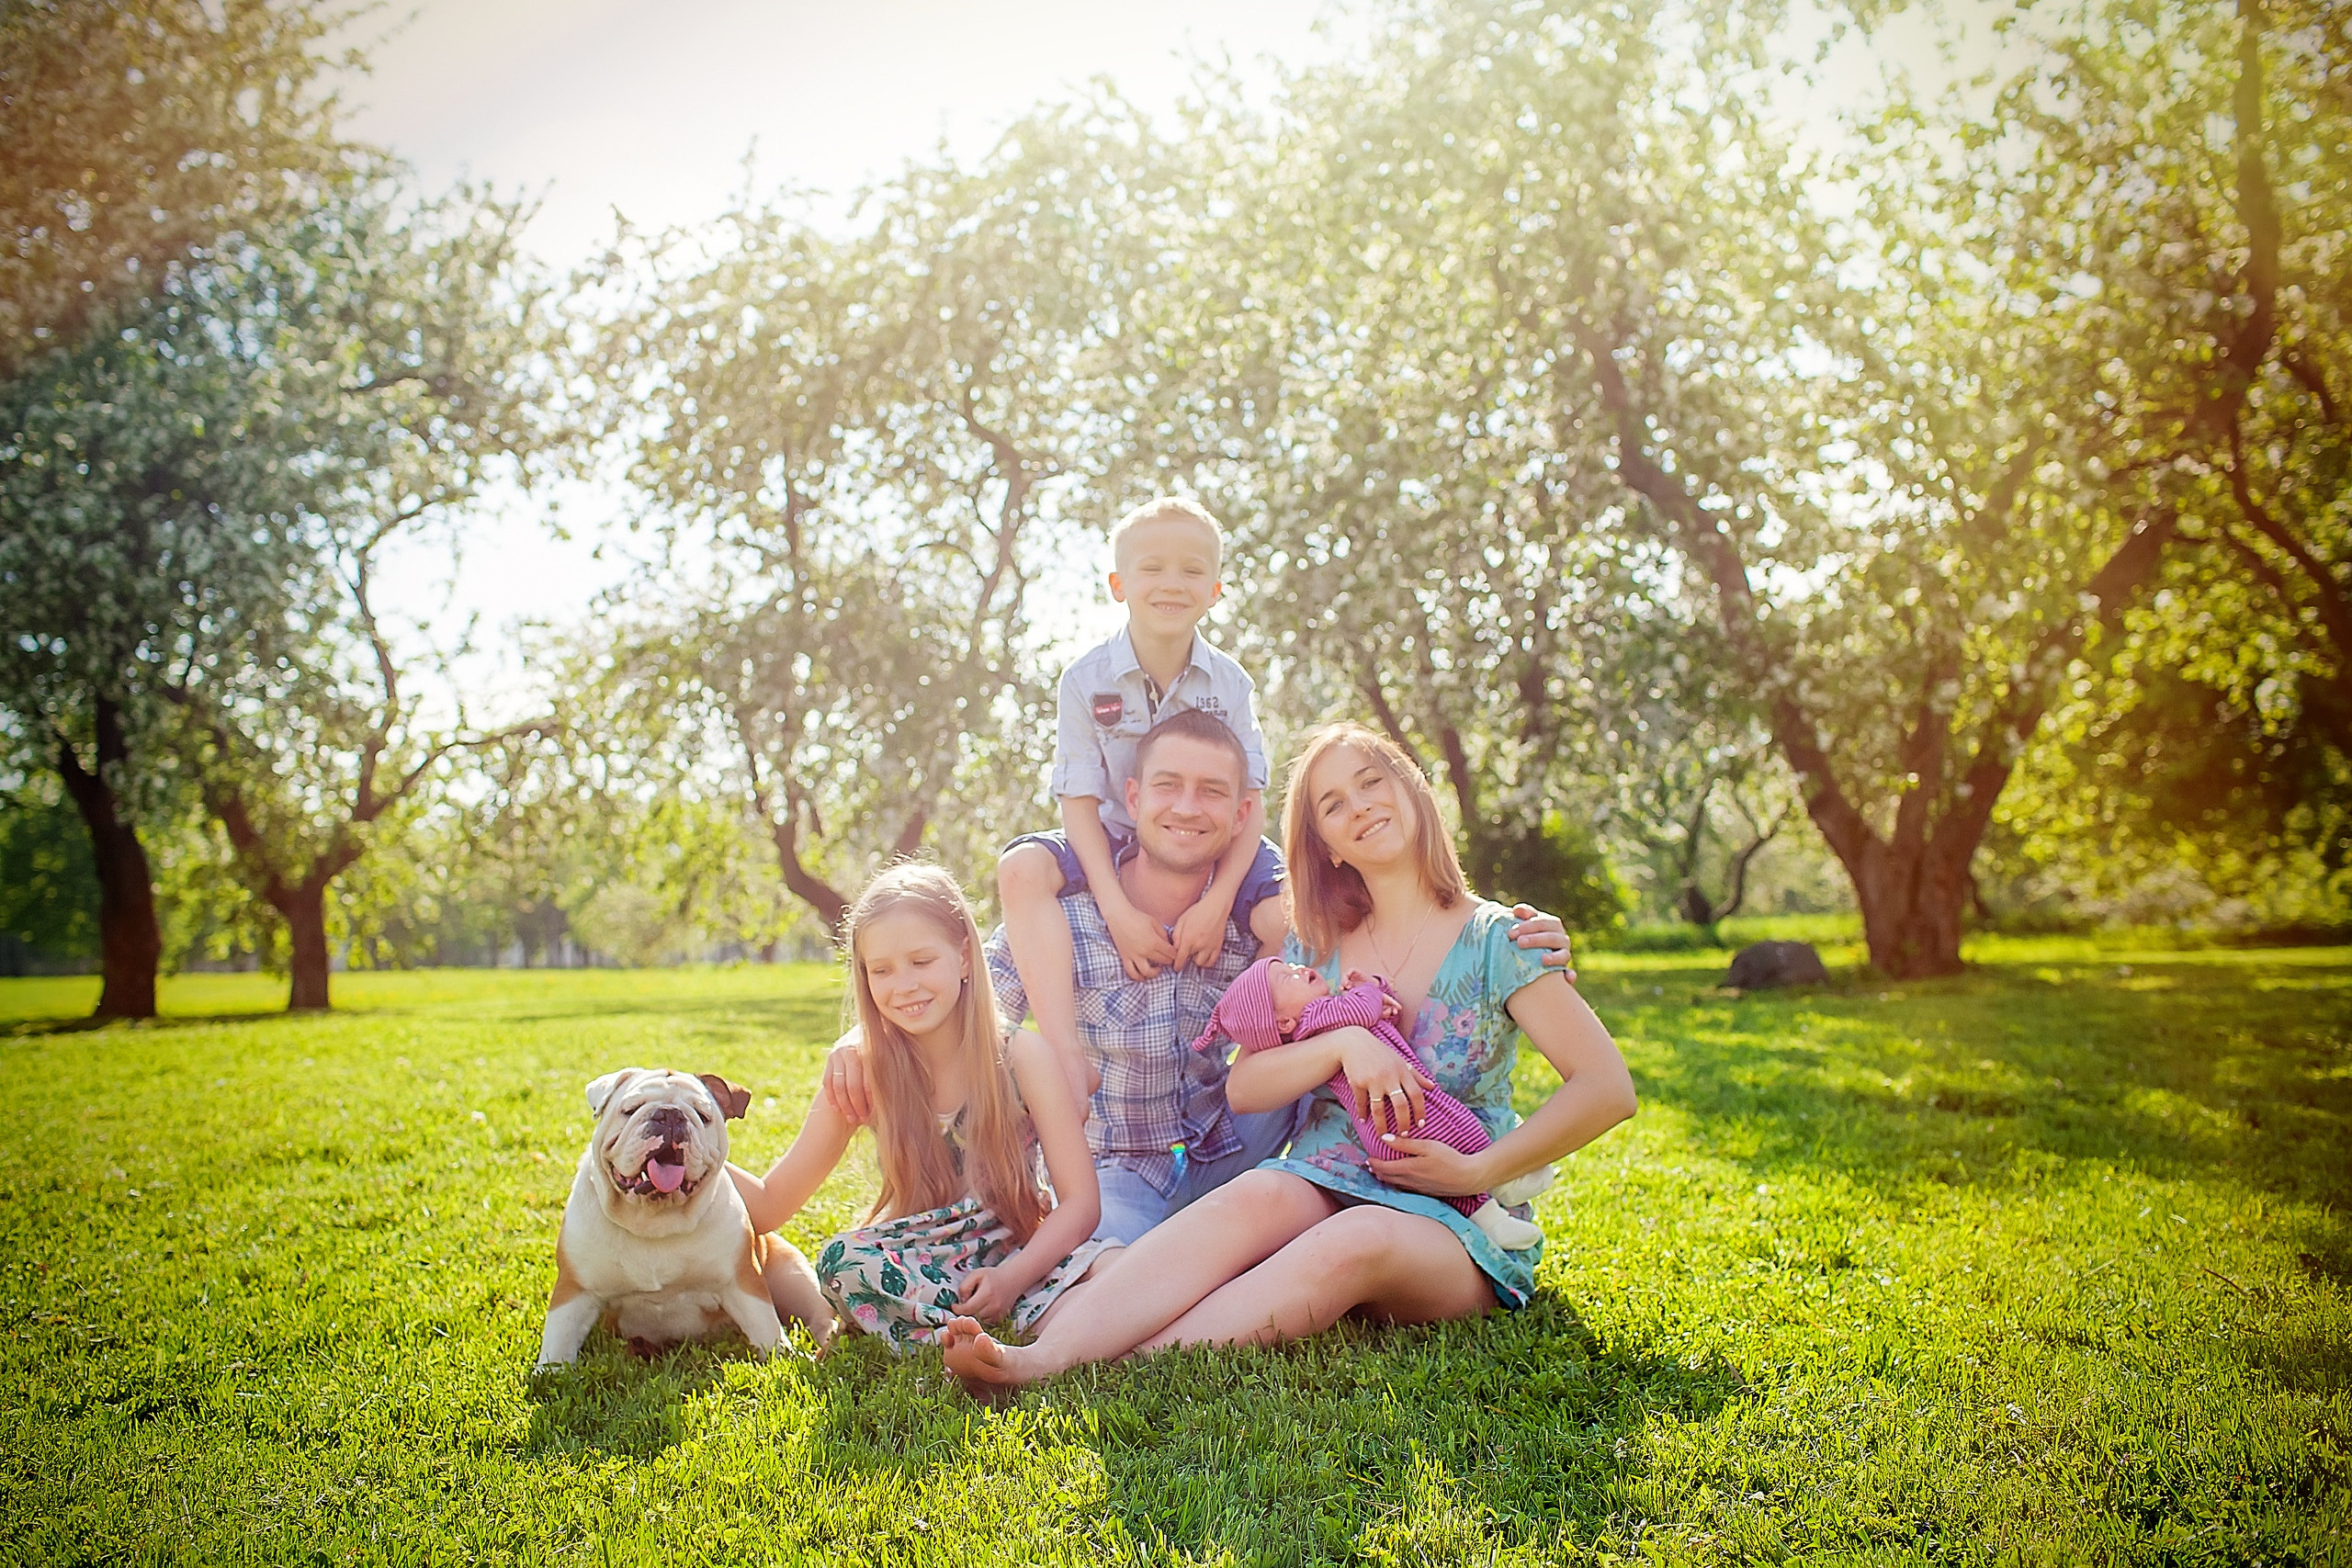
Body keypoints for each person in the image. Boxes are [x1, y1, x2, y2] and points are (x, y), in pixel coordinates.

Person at [936, 721, 1637, 1392]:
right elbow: (1246, 1086)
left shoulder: (1501, 939)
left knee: (1357, 1237)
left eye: (1373, 782)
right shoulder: (1313, 945)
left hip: (1453, 1217)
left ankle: (1097, 1365)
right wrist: (1342, 1042)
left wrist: (1479, 1168)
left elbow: (1607, 1087)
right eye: (1334, 803)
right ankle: (1042, 1356)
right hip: (1326, 1178)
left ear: (1414, 788)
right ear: (1324, 842)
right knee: (1261, 1192)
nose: (1360, 807)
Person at [820, 709, 1578, 1247]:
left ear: (1243, 812)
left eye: (1213, 791)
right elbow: (968, 996)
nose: (1188, 807)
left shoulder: (1264, 921)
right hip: (1118, 1168)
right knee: (1107, 1270)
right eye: (1169, 786)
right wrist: (861, 1035)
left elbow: (1395, 912)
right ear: (1133, 799)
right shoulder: (1065, 920)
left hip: (1236, 1151)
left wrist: (1527, 937)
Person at [728, 863, 1114, 1353]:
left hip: (1018, 1250)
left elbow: (1081, 1204)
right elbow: (769, 1204)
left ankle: (1006, 1308)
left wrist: (1012, 1278)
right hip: (921, 1257)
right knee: (844, 1260)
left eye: (921, 961)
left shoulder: (1021, 1057)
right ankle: (965, 1333)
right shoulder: (864, 1072)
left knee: (1118, 1273)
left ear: (965, 958)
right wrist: (686, 1146)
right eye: (882, 970)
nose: (904, 985)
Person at [996, 497, 1284, 1099]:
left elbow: (1250, 801)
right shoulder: (1085, 680)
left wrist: (1218, 902)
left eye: (1191, 570)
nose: (1172, 583)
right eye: (1152, 567)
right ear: (1118, 584)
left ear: (1215, 590)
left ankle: (1251, 1067)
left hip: (1211, 836)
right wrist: (1117, 912)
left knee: (1287, 916)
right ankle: (1066, 1058)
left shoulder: (1230, 683)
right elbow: (1078, 799)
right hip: (1109, 835)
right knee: (1021, 868)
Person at [1192, 956, 1543, 1251]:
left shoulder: (1325, 1018)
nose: (1299, 968)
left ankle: (1497, 1203)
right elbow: (1362, 1009)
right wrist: (1371, 987)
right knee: (1458, 1131)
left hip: (1391, 1126)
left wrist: (1380, 998)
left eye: (1291, 966)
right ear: (1283, 1022)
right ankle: (1500, 1200)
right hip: (1400, 1116)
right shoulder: (1315, 1021)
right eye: (1287, 977)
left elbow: (1379, 1017)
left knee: (1457, 1148)